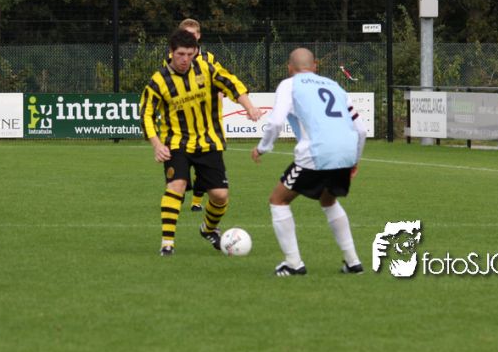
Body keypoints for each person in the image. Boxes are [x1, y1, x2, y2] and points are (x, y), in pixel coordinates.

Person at [142, 29, 261, 256]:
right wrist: (157, 144)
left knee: (220, 195)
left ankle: (208, 229)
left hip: (209, 142)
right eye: (180, 54)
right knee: (176, 186)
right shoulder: (158, 80)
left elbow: (232, 84)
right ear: (171, 52)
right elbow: (146, 114)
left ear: (196, 51)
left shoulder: (206, 69)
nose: (185, 59)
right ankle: (167, 243)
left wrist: (250, 107)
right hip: (176, 144)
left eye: (189, 54)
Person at [251, 48, 367, 276]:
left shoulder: (289, 84)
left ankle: (293, 263)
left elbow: (275, 122)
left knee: (278, 200)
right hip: (345, 152)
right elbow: (361, 130)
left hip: (316, 152)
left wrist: (263, 147)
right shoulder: (336, 86)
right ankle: (353, 262)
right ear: (315, 66)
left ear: (289, 68)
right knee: (328, 200)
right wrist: (354, 160)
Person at [170, 18, 218, 212]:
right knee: (181, 163)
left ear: (199, 36)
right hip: (181, 122)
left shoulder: (209, 59)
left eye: (193, 34)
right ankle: (179, 190)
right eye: (186, 34)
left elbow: (218, 82)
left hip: (204, 121)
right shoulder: (173, 57)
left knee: (203, 166)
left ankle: (196, 201)